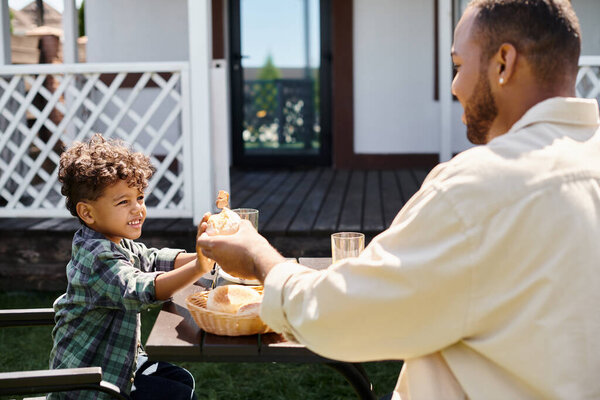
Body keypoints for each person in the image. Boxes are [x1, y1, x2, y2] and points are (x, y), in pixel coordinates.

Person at [197, 0, 600, 399]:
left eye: (459, 66)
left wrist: (258, 256)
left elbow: (341, 317)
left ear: (503, 63)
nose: (454, 86)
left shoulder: (478, 188)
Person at [49, 134, 211, 399]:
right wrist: (199, 267)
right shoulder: (97, 257)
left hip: (121, 363)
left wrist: (205, 255)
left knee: (180, 381)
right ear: (87, 212)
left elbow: (152, 259)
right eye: (124, 202)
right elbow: (138, 288)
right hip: (89, 384)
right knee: (175, 394)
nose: (138, 209)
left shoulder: (113, 242)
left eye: (140, 197)